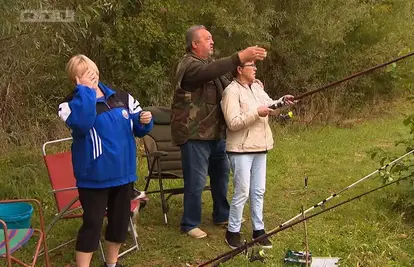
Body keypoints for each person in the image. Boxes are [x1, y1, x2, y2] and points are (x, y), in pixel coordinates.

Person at [171, 24, 268, 238]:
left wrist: (249, 82)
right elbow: (209, 73)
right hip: (194, 134)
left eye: (212, 38)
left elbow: (230, 85)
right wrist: (239, 56)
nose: (212, 42)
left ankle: (222, 214)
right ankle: (190, 223)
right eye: (207, 39)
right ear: (194, 44)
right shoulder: (189, 65)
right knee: (196, 181)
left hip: (215, 133)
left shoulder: (210, 65)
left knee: (221, 176)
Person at [58, 54, 153, 267]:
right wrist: (85, 92)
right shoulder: (69, 104)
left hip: (123, 173)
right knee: (92, 224)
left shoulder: (121, 97)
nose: (91, 75)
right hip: (94, 177)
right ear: (75, 79)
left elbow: (138, 126)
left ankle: (112, 263)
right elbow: (82, 124)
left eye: (92, 70)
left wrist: (144, 121)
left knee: (119, 223)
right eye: (84, 73)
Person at [220, 60, 295, 249]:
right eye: (250, 66)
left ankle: (258, 230)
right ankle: (233, 231)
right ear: (239, 69)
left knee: (258, 191)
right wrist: (256, 112)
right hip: (240, 149)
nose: (255, 69)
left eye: (255, 66)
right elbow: (233, 122)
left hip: (260, 146)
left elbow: (271, 107)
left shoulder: (257, 88)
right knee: (242, 191)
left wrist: (283, 102)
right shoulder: (231, 92)